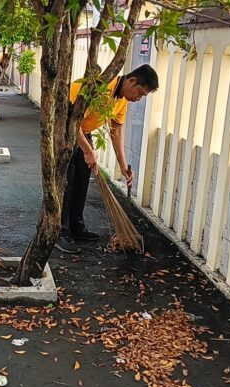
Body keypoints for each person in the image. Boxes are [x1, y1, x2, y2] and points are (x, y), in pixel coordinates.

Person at [56, 64, 159, 254]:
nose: (138, 98)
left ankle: (76, 227)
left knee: (82, 179)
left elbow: (116, 130)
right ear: (131, 81)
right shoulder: (101, 88)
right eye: (140, 93)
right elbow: (73, 121)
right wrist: (88, 151)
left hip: (82, 132)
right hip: (63, 128)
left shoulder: (122, 100)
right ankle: (60, 232)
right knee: (67, 183)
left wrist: (122, 166)